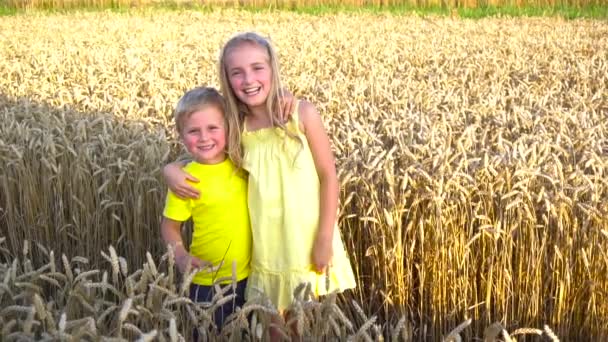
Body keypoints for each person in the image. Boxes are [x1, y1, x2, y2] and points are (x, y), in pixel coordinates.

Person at [165, 32, 356, 315]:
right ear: (227, 79)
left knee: (303, 324)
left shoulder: (301, 115)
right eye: (237, 73)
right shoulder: (236, 126)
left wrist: (325, 237)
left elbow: (329, 175)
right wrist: (170, 169)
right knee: (274, 329)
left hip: (305, 242)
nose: (248, 79)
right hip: (266, 249)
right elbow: (207, 155)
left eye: (257, 68)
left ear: (272, 69)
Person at [160, 86, 251, 334]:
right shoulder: (185, 180)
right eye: (193, 131)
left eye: (213, 128)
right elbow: (169, 226)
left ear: (229, 127)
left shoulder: (242, 162)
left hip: (250, 277)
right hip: (206, 282)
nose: (204, 137)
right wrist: (180, 256)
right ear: (181, 135)